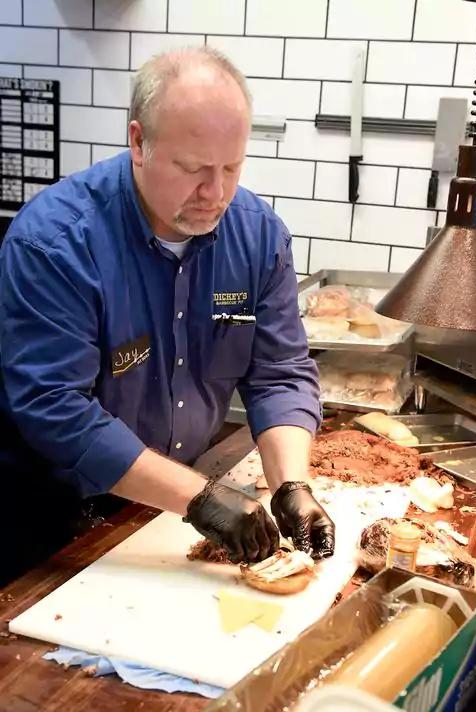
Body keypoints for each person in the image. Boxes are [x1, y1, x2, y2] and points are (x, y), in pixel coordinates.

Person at [0, 47, 335, 586]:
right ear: (138, 142)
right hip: (54, 522)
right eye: (193, 168)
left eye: (232, 167)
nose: (216, 193)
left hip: (169, 505)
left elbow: (280, 372)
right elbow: (53, 407)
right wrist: (199, 499)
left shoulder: (258, 236)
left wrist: (290, 486)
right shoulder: (55, 243)